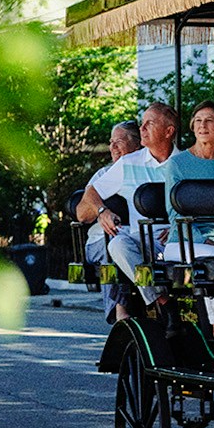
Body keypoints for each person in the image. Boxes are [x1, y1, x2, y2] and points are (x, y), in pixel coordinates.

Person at [77, 102, 178, 317]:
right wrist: (102, 211)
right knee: (118, 244)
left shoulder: (185, 161)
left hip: (179, 241)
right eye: (141, 124)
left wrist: (178, 226)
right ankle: (161, 300)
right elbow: (90, 194)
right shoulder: (128, 163)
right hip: (142, 243)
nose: (142, 128)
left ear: (169, 131)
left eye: (149, 124)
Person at [160, 100, 214, 259]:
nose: (202, 125)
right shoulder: (177, 163)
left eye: (209, 120)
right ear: (192, 126)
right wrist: (204, 241)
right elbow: (174, 214)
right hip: (183, 241)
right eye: (198, 120)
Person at [82, 120, 140, 322]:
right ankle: (120, 309)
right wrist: (102, 210)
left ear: (137, 146)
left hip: (140, 237)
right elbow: (82, 213)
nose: (113, 147)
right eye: (111, 142)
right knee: (114, 240)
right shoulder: (103, 174)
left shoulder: (147, 169)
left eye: (119, 142)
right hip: (101, 240)